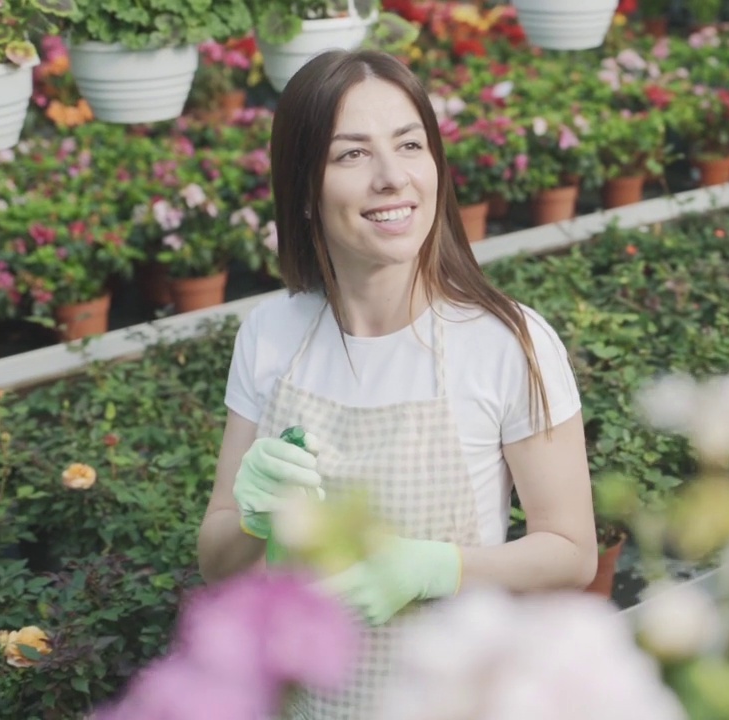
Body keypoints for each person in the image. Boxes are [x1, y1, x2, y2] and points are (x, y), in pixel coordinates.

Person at [195, 49, 598, 718]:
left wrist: (433, 568)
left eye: (409, 145)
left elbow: (573, 552)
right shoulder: (271, 338)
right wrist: (253, 520)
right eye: (351, 155)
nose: (392, 177)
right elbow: (218, 561)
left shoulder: (506, 343)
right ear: (302, 189)